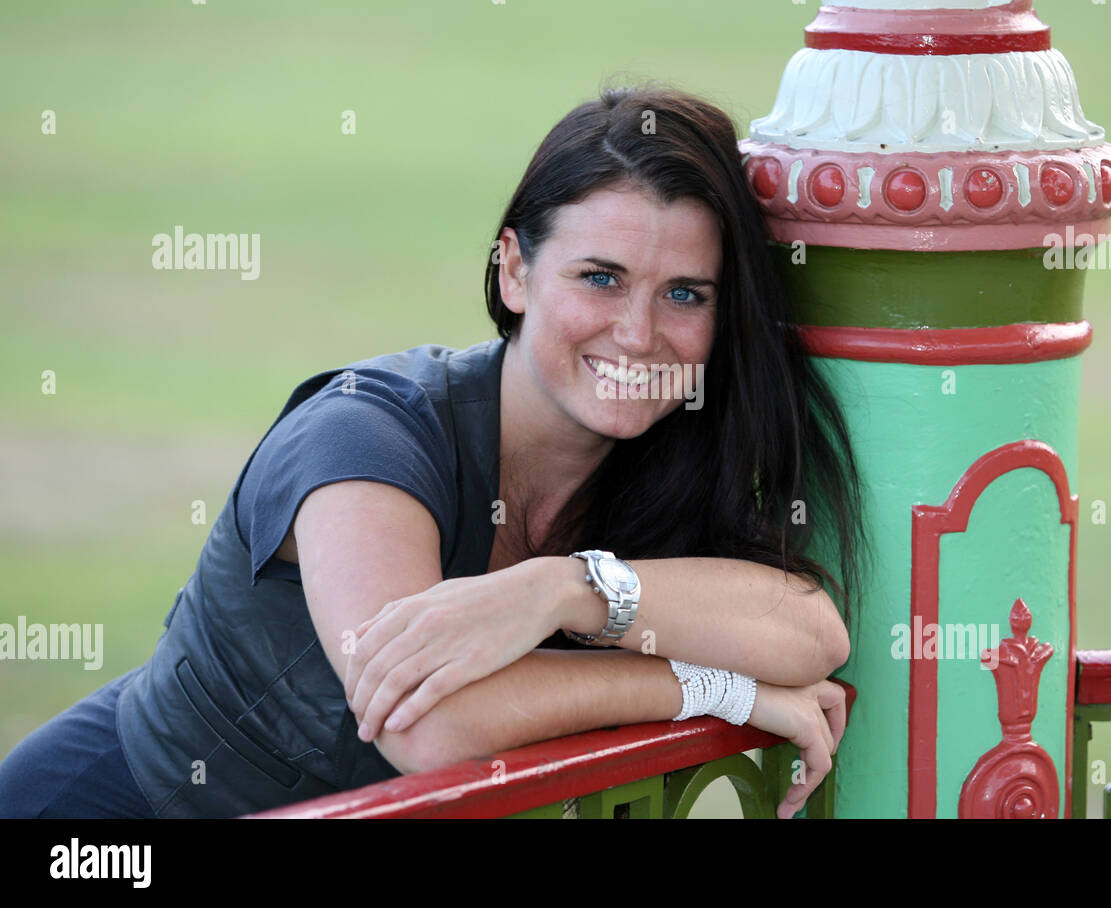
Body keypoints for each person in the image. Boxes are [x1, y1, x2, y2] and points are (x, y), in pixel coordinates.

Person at [0, 83, 870, 819]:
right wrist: (725, 691)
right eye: (599, 277)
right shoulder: (364, 433)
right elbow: (432, 726)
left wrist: (559, 591)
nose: (638, 334)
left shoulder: (666, 456)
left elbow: (809, 632)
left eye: (685, 293)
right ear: (514, 273)